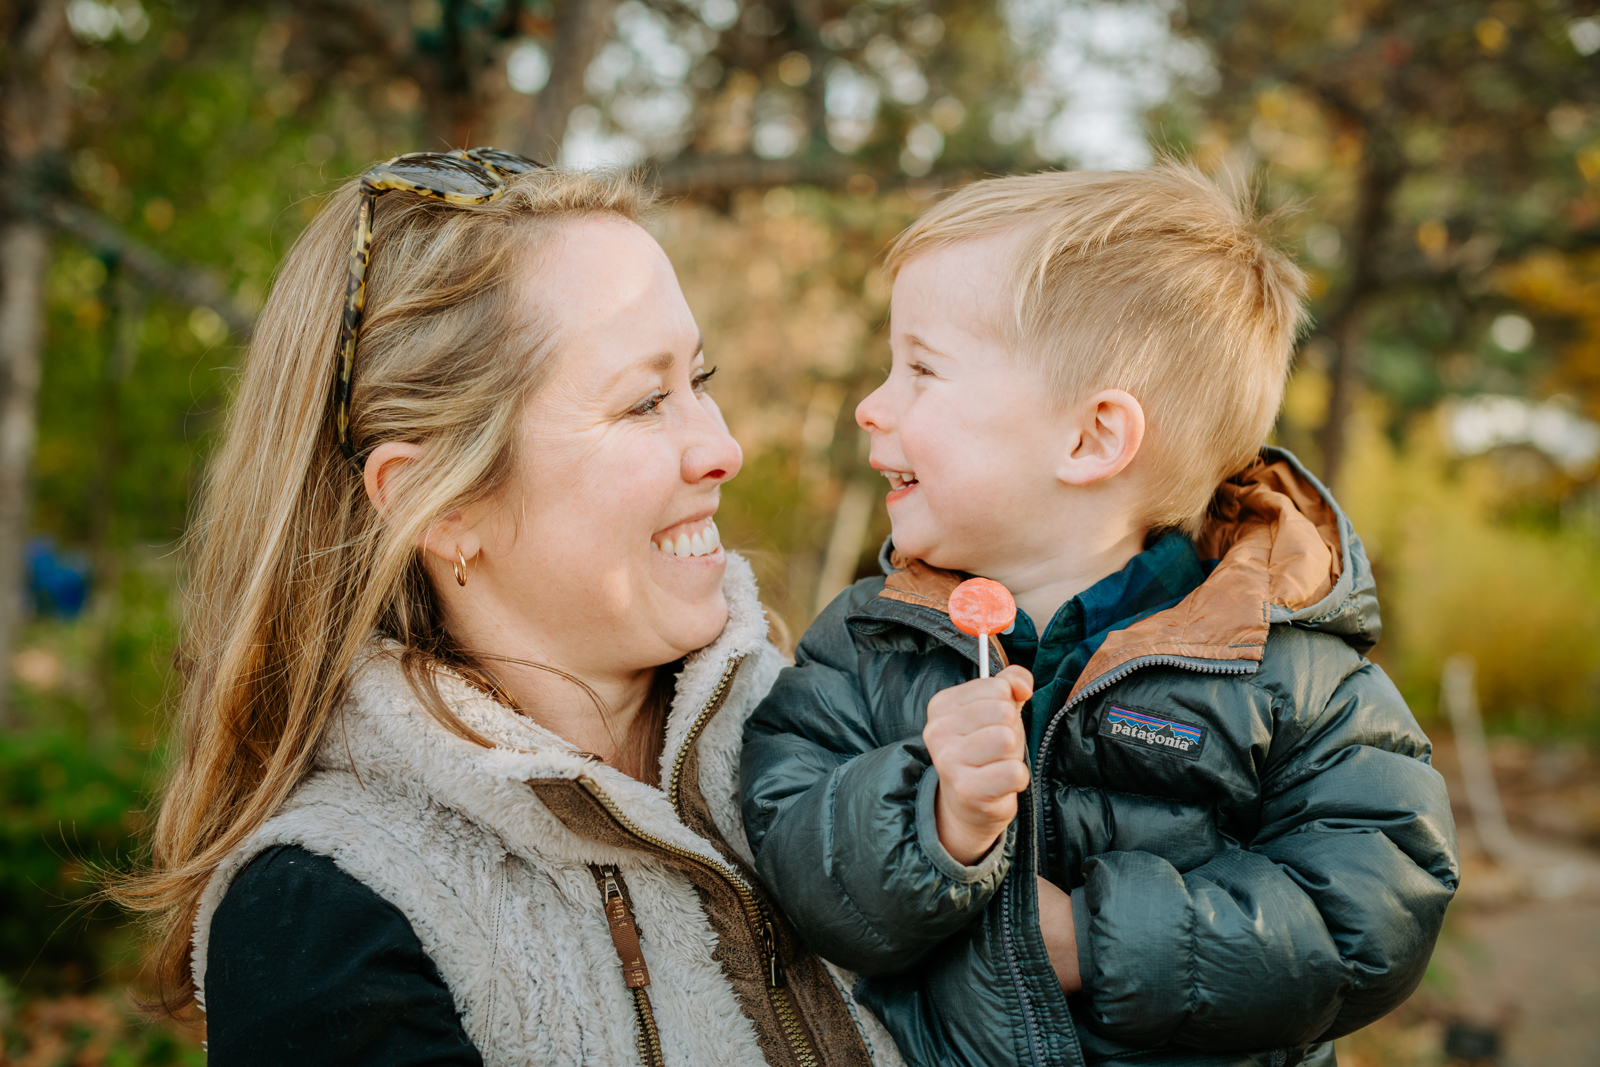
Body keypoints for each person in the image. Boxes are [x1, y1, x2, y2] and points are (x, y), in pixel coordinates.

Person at [114, 150, 903, 1067]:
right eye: (645, 402)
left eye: (701, 378)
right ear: (442, 506)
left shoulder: (849, 737)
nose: (721, 447)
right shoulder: (332, 917)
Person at [740, 164, 1460, 1067]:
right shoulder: (868, 638)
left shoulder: (1286, 667)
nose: (871, 403)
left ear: (1090, 439)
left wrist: (1096, 937)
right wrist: (935, 818)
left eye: (921, 369)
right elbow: (788, 853)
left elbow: (1374, 909)